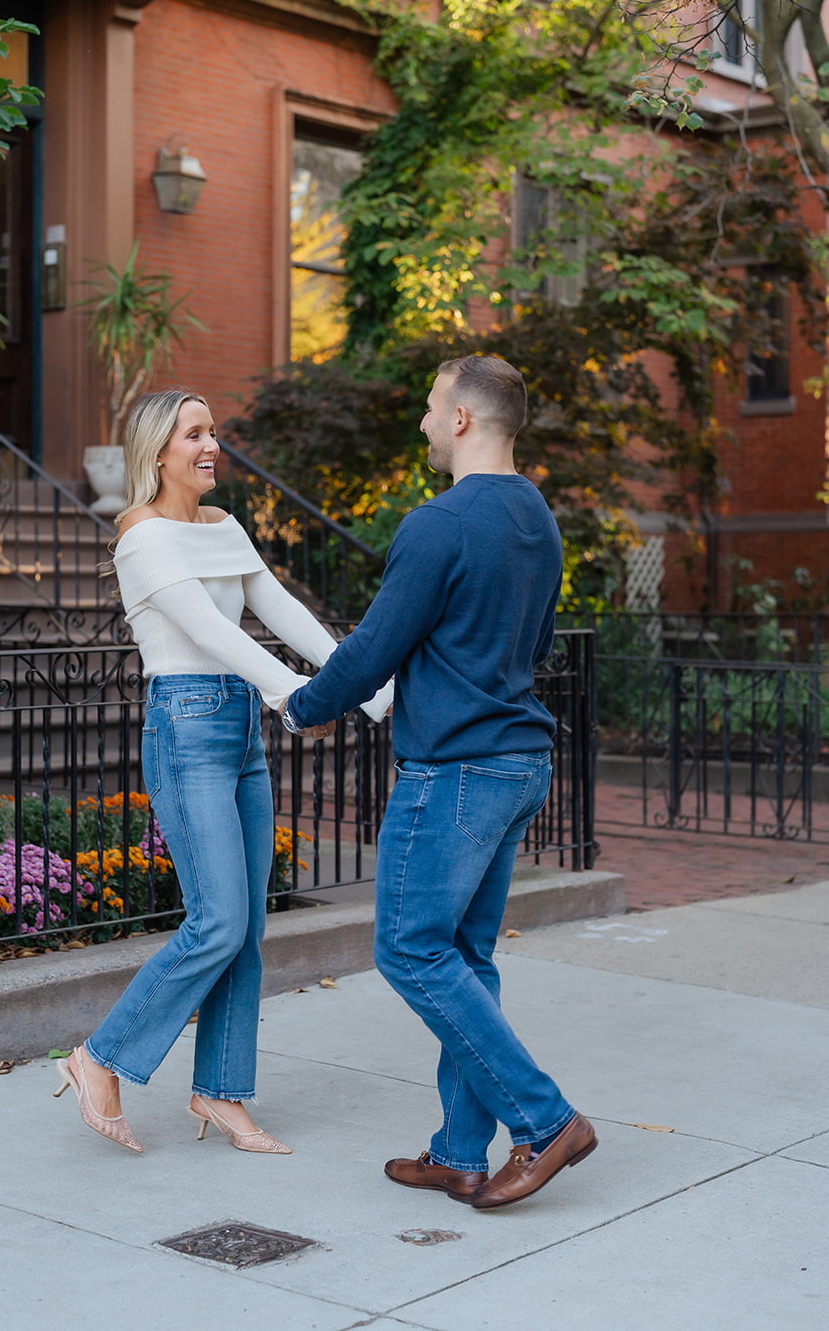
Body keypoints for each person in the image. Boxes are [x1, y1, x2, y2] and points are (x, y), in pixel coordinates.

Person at [282, 354, 596, 1209]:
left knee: (409, 949)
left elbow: (375, 646)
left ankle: (545, 1119)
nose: (423, 423)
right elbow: (529, 647)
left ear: (461, 418)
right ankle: (459, 1153)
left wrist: (303, 706)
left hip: (455, 770)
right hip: (518, 760)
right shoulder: (537, 516)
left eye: (429, 408)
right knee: (465, 955)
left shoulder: (439, 523)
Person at [54, 388, 391, 1156]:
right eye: (195, 433)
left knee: (248, 929)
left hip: (237, 729)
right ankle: (100, 1058)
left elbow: (285, 614)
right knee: (217, 921)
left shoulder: (224, 527)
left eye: (215, 432)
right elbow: (207, 631)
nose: (214, 445)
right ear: (158, 451)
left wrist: (374, 693)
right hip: (187, 726)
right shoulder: (140, 536)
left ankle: (221, 1095)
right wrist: (295, 697)